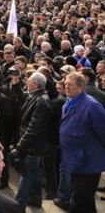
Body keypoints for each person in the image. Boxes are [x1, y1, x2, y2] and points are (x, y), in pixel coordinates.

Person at [60, 72, 105, 213]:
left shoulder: (92, 106)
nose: (66, 87)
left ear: (80, 87)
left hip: (87, 162)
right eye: (65, 83)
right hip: (74, 159)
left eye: (70, 85)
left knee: (79, 201)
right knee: (85, 200)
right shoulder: (68, 102)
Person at [10, 71, 51, 210]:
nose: (26, 82)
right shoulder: (35, 96)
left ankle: (18, 206)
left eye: (29, 80)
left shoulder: (42, 101)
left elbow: (34, 128)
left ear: (36, 84)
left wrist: (20, 147)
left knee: (26, 175)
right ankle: (35, 200)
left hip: (31, 146)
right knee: (33, 173)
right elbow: (23, 97)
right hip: (31, 144)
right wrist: (15, 84)